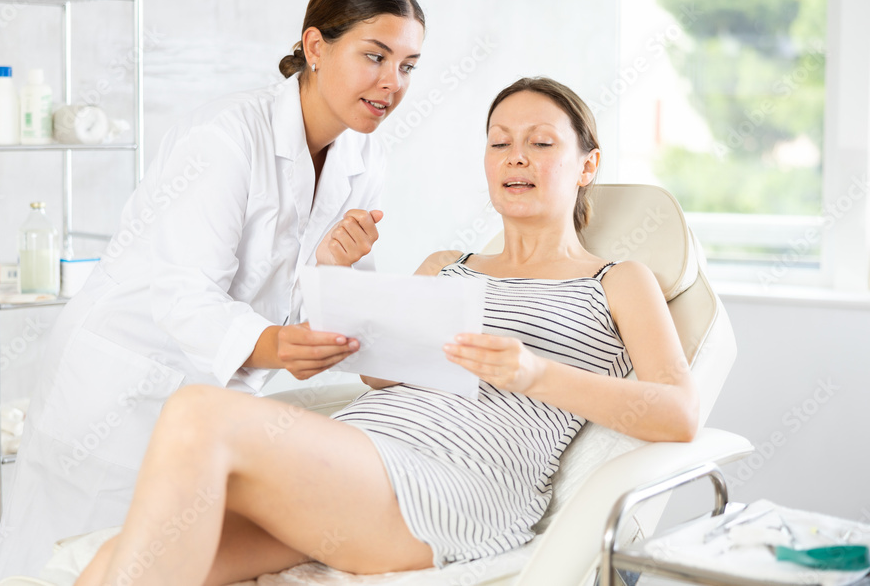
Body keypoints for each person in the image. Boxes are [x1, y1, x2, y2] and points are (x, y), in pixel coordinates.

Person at [69, 76, 699, 586]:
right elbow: (379, 374)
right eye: (499, 142)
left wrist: (535, 374)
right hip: (357, 463)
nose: (516, 157)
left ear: (587, 165)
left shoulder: (619, 280)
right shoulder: (446, 267)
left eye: (541, 143)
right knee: (116, 564)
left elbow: (678, 413)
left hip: (452, 488)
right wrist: (335, 274)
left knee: (198, 413)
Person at [0, 0, 425, 585]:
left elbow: (333, 288)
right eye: (374, 56)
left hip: (216, 396)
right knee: (64, 560)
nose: (392, 82)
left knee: (168, 563)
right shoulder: (226, 136)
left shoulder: (364, 154)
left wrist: (335, 276)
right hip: (124, 382)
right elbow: (183, 292)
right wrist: (277, 346)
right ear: (316, 47)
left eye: (408, 66)